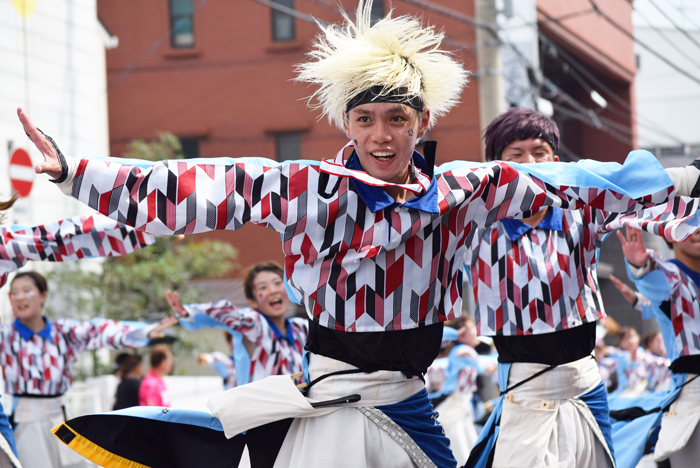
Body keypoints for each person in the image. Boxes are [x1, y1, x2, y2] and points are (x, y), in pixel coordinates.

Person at [18, 1, 700, 466]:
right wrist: (76, 171)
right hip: (335, 398)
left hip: (412, 400)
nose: (381, 135)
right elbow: (206, 184)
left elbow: (581, 182)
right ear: (347, 123)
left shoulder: (463, 190)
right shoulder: (309, 188)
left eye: (396, 119)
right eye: (366, 119)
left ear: (421, 121)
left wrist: (689, 179)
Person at [462, 107, 700, 468]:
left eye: (540, 153)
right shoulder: (473, 226)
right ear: (496, 167)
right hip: (524, 389)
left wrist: (688, 178)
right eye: (517, 155)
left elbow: (639, 197)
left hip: (587, 387)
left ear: (557, 162)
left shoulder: (583, 211)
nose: (531, 164)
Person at [5, 271, 176, 468]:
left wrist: (140, 331)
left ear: (43, 295)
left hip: (62, 416)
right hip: (25, 422)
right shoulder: (6, 336)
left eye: (27, 291)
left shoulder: (63, 332)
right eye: (14, 293)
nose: (19, 297)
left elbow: (97, 330)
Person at [611, 226, 700, 467]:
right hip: (693, 397)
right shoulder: (671, 276)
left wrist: (638, 300)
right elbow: (657, 283)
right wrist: (642, 268)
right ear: (669, 235)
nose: (697, 230)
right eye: (688, 224)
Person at [170, 262, 307, 386]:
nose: (273, 290)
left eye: (278, 283)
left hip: (304, 411)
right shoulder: (254, 324)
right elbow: (225, 313)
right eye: (263, 287)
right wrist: (188, 313)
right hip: (259, 412)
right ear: (252, 301)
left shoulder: (302, 328)